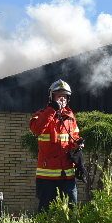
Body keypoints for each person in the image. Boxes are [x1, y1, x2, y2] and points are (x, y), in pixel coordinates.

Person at [29, 79, 83, 213]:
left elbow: (74, 137)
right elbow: (37, 129)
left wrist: (79, 144)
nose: (62, 99)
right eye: (59, 95)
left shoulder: (70, 117)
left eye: (64, 96)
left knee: (71, 211)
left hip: (67, 175)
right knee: (45, 213)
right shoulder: (40, 115)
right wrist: (52, 110)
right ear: (52, 97)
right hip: (47, 176)